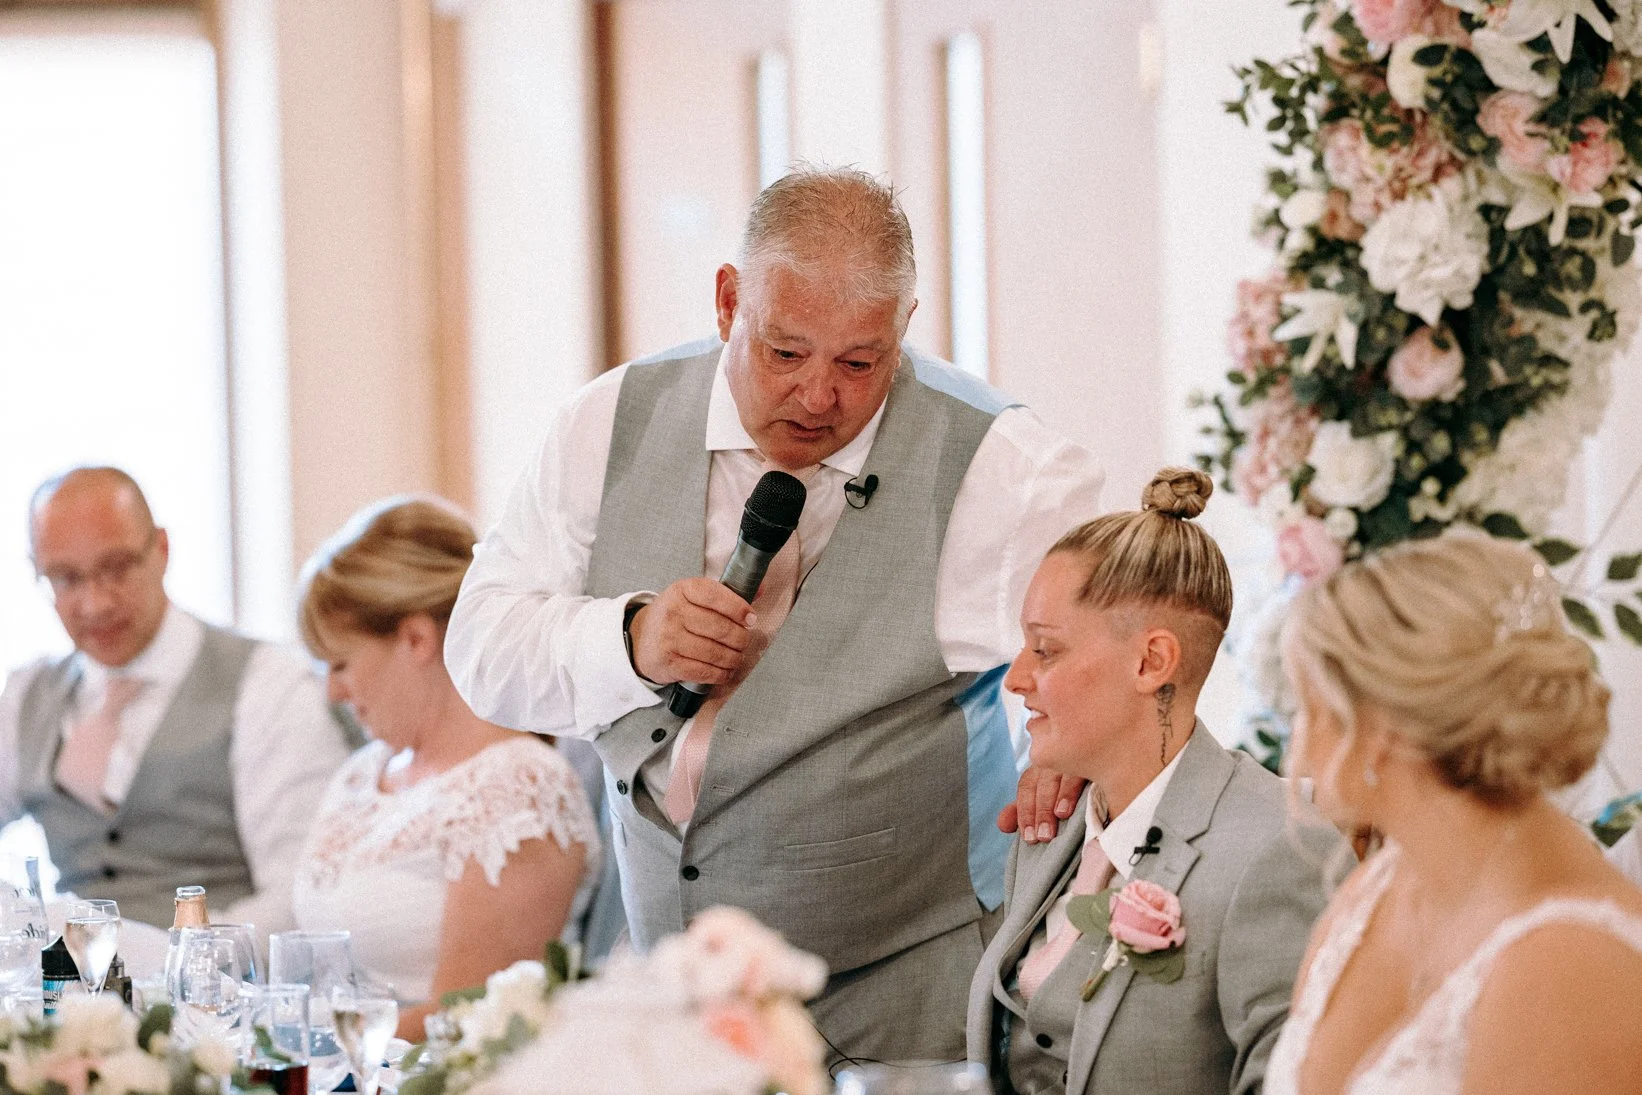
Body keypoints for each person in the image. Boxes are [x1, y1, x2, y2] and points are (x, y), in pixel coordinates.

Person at [444, 165, 1106, 1062]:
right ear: (728, 302)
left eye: (860, 363)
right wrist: (628, 639)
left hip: (912, 1010)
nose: (820, 396)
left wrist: (1067, 751)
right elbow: (482, 645)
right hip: (678, 1011)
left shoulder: (1006, 468)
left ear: (905, 325)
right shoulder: (607, 423)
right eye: (785, 353)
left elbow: (1118, 645)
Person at [966, 468, 1335, 1094]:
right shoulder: (1050, 828)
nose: (1016, 678)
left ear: (1150, 662)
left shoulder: (1279, 850)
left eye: (1044, 649)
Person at [1265, 530, 1642, 1094]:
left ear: (1382, 728)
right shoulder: (1376, 890)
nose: (1297, 739)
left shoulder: (1572, 964)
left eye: (1310, 706)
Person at [292, 497, 597, 1039]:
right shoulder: (362, 774)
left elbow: (465, 1020)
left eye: (340, 664)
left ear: (416, 638)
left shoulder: (517, 788)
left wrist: (306, 1044)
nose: (332, 692)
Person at [0, 467, 348, 931]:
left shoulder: (267, 683)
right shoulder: (26, 696)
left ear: (161, 550)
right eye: (66, 579)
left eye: (116, 568)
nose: (96, 603)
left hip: (216, 972)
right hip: (68, 976)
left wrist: (172, 955)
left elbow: (303, 896)